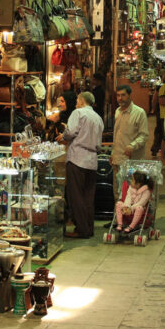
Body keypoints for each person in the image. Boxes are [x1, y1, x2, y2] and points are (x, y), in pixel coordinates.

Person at [56, 91, 104, 238]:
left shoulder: (78, 113)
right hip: (92, 159)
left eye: (77, 100)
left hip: (77, 158)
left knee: (75, 195)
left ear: (82, 101)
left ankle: (81, 229)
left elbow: (70, 132)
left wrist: (62, 136)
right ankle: (88, 228)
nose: (76, 102)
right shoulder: (97, 117)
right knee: (88, 196)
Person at [111, 85, 149, 198]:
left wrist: (133, 145)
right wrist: (113, 153)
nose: (120, 98)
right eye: (118, 95)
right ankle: (118, 214)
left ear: (129, 95)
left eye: (123, 95)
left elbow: (144, 135)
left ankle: (131, 215)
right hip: (118, 160)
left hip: (132, 161)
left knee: (132, 193)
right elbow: (116, 135)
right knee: (118, 192)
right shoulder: (118, 112)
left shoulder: (139, 113)